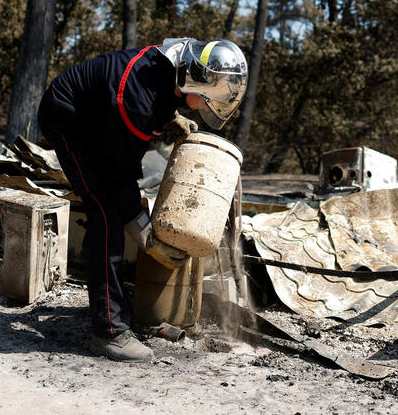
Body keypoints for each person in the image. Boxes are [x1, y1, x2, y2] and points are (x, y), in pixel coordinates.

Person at [37, 38, 248, 362]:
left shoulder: (175, 65)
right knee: (105, 212)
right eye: (205, 102)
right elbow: (119, 174)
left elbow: (159, 97)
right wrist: (144, 232)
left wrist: (169, 120)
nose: (203, 108)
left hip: (100, 114)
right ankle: (109, 332)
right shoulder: (137, 99)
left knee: (110, 205)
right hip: (69, 117)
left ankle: (112, 312)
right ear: (196, 81)